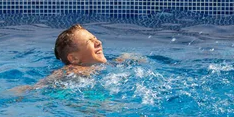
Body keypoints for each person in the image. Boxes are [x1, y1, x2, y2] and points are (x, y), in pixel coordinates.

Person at [13, 24, 143, 92]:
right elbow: (46, 83)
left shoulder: (99, 66)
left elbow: (116, 64)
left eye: (96, 38)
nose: (99, 42)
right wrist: (28, 89)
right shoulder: (72, 70)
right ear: (74, 58)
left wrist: (127, 58)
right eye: (90, 41)